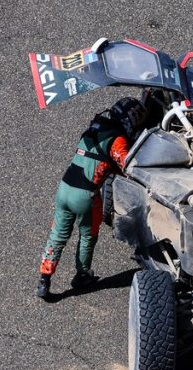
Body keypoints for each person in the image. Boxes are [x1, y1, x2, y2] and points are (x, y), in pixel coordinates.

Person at [36, 97, 145, 298]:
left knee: (58, 235)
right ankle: (82, 275)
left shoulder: (93, 128)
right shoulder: (117, 141)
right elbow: (129, 167)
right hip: (86, 196)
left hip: (64, 188)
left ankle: (44, 280)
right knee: (87, 236)